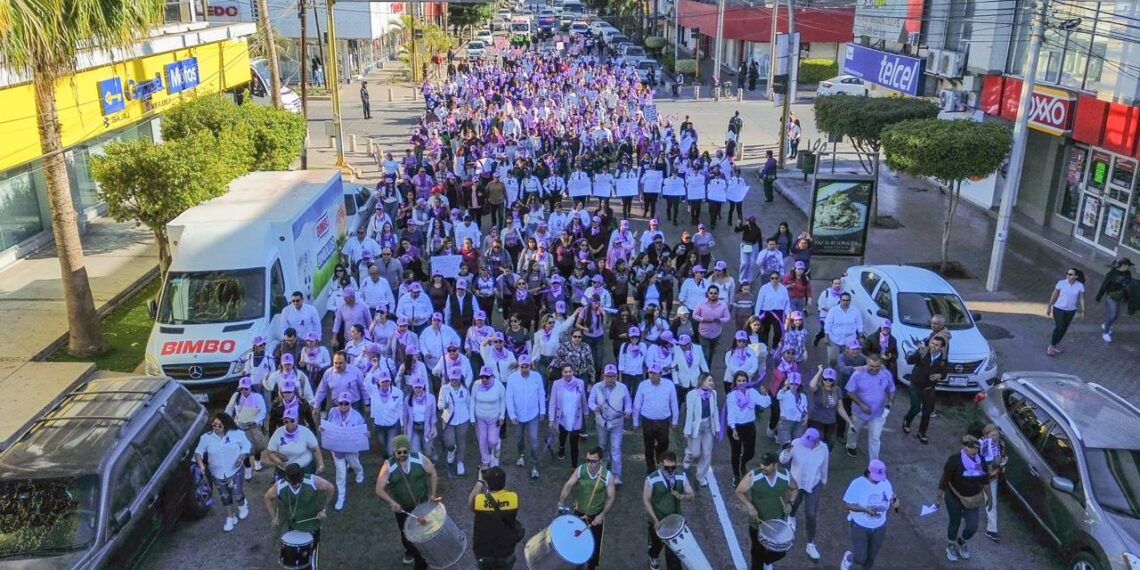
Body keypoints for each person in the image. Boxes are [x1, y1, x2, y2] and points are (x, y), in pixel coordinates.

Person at [375, 434, 441, 569]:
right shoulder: (388, 466)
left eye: (405, 451)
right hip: (403, 509)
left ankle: (422, 562)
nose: (402, 454)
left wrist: (433, 494)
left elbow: (433, 473)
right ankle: (410, 551)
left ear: (409, 450)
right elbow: (379, 489)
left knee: (426, 531)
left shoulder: (419, 459)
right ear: (394, 452)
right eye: (399, 452)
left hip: (422, 505)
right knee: (406, 533)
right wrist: (392, 502)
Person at [557, 447, 618, 570]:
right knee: (577, 541)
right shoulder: (581, 470)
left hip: (596, 516)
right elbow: (568, 485)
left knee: (594, 547)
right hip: (579, 513)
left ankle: (591, 567)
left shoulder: (607, 476)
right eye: (588, 460)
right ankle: (578, 564)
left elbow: (611, 497)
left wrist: (602, 515)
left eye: (593, 461)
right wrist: (561, 502)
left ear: (600, 461)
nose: (590, 463)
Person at [263, 464, 335, 566]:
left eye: (299, 481)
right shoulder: (280, 486)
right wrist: (274, 517)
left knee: (311, 559)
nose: (297, 484)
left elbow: (330, 488)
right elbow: (267, 498)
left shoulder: (312, 481)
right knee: (295, 560)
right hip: (293, 526)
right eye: (293, 482)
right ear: (287, 479)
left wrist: (324, 509)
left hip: (312, 526)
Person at [734, 452, 795, 570]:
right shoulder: (754, 476)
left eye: (766, 465)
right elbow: (739, 491)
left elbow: (795, 489)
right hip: (757, 524)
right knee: (757, 553)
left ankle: (766, 561)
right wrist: (750, 507)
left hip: (777, 524)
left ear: (775, 465)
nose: (762, 466)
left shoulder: (785, 475)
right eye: (762, 463)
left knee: (781, 552)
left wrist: (790, 503)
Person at [936, 435, 991, 562]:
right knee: (955, 522)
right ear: (964, 447)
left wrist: (990, 497)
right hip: (954, 498)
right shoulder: (954, 460)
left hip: (972, 500)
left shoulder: (981, 460)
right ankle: (951, 545)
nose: (973, 451)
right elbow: (945, 480)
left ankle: (962, 541)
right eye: (970, 448)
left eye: (975, 449)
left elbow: (985, 480)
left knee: (973, 526)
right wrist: (939, 497)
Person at [194, 412, 252, 532]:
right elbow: (198, 452)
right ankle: (230, 517)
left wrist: (241, 457)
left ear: (226, 424)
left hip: (235, 470)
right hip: (217, 473)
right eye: (214, 425)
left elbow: (247, 445)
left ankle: (242, 505)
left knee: (236, 492)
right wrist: (200, 464)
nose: (217, 428)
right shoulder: (206, 438)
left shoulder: (236, 433)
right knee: (225, 496)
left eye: (220, 425)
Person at [778, 427, 828, 561]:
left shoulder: (823, 448)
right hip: (796, 483)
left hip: (814, 484)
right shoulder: (796, 443)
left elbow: (824, 466)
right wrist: (786, 450)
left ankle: (810, 544)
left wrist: (823, 480)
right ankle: (792, 517)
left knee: (811, 514)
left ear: (817, 441)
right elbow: (782, 460)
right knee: (793, 505)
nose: (805, 443)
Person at [840, 460, 898, 570]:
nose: (878, 481)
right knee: (860, 558)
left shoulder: (885, 482)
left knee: (870, 559)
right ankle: (848, 558)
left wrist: (895, 504)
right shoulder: (857, 484)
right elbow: (847, 505)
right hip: (860, 525)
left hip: (880, 526)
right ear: (868, 472)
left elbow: (892, 497)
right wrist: (865, 510)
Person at [642, 451, 695, 570]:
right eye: (667, 468)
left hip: (675, 524)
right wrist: (655, 520)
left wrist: (682, 496)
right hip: (658, 521)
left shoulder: (681, 476)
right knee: (656, 546)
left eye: (673, 467)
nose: (670, 470)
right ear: (661, 465)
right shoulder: (651, 479)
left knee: (674, 556)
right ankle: (653, 557)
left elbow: (692, 495)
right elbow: (646, 499)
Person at [321, 392, 367, 511]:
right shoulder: (332, 412)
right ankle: (341, 497)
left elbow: (362, 431)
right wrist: (323, 429)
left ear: (350, 403)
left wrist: (366, 434)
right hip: (337, 448)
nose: (343, 406)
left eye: (346, 403)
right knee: (341, 473)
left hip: (351, 448)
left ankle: (360, 472)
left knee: (354, 464)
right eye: (341, 403)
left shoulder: (357, 416)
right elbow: (329, 425)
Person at [844, 354, 895, 460]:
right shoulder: (857, 374)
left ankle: (874, 461)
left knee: (875, 437)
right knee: (855, 430)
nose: (874, 369)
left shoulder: (886, 374)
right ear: (866, 363)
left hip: (878, 413)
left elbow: (891, 388)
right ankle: (851, 445)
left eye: (877, 366)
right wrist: (861, 405)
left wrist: (890, 402)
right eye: (871, 366)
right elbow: (850, 392)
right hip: (859, 411)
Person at [725, 371, 772, 486]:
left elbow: (765, 404)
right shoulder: (731, 396)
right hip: (735, 427)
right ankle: (736, 475)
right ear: (735, 382)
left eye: (744, 380)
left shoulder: (752, 393)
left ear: (747, 382)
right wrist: (733, 428)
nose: (741, 383)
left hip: (749, 427)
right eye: (739, 381)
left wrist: (765, 394)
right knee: (735, 453)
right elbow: (731, 413)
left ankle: (743, 461)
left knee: (750, 453)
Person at [469, 466, 521, 569]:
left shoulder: (479, 500)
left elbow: (470, 502)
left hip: (484, 552)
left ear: (487, 484)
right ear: (504, 482)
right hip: (506, 551)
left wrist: (480, 481)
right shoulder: (513, 498)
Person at [590, 365, 633, 486]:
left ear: (616, 376)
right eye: (608, 376)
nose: (610, 378)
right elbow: (591, 401)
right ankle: (602, 467)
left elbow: (628, 402)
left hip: (617, 423)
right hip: (601, 422)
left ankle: (616, 475)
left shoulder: (623, 387)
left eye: (612, 376)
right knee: (602, 445)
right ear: (604, 375)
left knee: (616, 449)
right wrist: (595, 407)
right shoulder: (596, 387)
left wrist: (628, 411)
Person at [902, 335, 948, 444]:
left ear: (942, 348)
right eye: (932, 343)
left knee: (927, 412)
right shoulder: (923, 351)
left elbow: (945, 372)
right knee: (915, 408)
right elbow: (909, 360)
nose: (934, 346)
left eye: (937, 345)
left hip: (929, 388)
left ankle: (921, 433)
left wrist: (939, 376)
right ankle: (907, 420)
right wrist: (919, 351)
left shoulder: (943, 358)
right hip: (916, 385)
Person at [634, 363, 680, 473]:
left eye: (655, 374)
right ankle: (650, 467)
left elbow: (674, 403)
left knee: (664, 443)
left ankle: (661, 459)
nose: (652, 376)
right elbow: (637, 404)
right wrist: (635, 421)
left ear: (661, 374)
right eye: (650, 373)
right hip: (648, 421)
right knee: (648, 445)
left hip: (663, 421)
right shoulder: (643, 385)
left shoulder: (669, 385)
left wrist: (675, 420)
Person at [507, 356, 546, 479]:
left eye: (526, 366)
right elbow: (509, 397)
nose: (524, 369)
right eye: (522, 367)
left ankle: (534, 465)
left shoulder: (537, 377)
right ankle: (521, 455)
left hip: (533, 414)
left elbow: (541, 394)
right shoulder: (512, 378)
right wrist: (512, 414)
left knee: (534, 441)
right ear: (518, 366)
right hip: (518, 415)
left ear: (531, 366)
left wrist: (542, 411)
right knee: (519, 438)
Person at [224, 376, 267, 479]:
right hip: (239, 426)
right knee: (243, 449)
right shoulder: (236, 397)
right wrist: (227, 421)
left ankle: (257, 461)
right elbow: (229, 409)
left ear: (251, 388)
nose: (243, 391)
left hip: (253, 426)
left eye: (246, 388)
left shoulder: (257, 397)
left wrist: (256, 421)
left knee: (256, 445)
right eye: (241, 389)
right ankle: (247, 468)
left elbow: (263, 411)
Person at [265, 408, 325, 479]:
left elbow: (315, 449)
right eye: (286, 421)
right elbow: (270, 452)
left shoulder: (305, 431)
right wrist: (281, 464)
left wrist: (321, 465)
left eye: (292, 420)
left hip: (305, 468)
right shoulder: (278, 432)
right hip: (285, 470)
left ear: (297, 419)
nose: (289, 423)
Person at [682, 374, 720, 487]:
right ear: (702, 381)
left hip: (708, 427)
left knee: (707, 453)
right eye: (709, 380)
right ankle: (688, 457)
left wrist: (717, 427)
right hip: (696, 427)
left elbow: (715, 411)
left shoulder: (714, 393)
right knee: (695, 453)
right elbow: (689, 414)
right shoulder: (692, 395)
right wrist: (687, 430)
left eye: (712, 380)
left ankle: (701, 476)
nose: (712, 382)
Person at [550, 365, 588, 468]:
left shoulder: (580, 383)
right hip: (562, 417)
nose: (568, 374)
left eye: (570, 371)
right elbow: (553, 402)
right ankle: (561, 447)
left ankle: (574, 466)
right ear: (562, 372)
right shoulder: (557, 384)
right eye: (565, 372)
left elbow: (583, 398)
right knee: (563, 435)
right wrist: (551, 419)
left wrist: (586, 412)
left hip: (576, 417)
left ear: (573, 372)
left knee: (574, 443)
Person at [806, 366, 851, 451]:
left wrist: (850, 422)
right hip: (816, 421)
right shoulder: (818, 388)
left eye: (830, 379)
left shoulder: (837, 390)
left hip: (830, 423)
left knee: (829, 445)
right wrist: (819, 371)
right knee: (816, 444)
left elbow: (840, 408)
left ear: (834, 380)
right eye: (825, 378)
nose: (827, 381)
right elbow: (811, 385)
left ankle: (823, 460)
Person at [438, 368, 473, 476]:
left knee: (461, 441)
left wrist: (471, 418)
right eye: (452, 379)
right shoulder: (444, 388)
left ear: (460, 378)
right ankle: (452, 450)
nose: (454, 381)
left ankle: (460, 462)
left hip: (463, 418)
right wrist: (445, 405)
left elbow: (469, 403)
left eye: (456, 379)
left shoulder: (465, 389)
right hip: (448, 419)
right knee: (449, 442)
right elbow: (439, 404)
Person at [471, 366, 507, 469]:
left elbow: (503, 401)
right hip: (480, 418)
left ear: (492, 376)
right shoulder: (476, 385)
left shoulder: (499, 386)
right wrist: (472, 417)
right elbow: (472, 400)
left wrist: (502, 416)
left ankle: (496, 447)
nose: (484, 379)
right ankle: (485, 461)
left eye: (486, 377)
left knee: (492, 441)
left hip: (494, 418)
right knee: (482, 440)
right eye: (482, 376)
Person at [1047, 267, 1086, 355]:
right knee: (1059, 327)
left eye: (1070, 274)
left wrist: (1083, 310)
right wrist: (1049, 307)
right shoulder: (1061, 283)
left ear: (1076, 276)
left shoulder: (1079, 285)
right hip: (1058, 308)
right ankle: (1051, 346)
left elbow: (1081, 298)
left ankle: (1055, 344)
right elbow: (1054, 295)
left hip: (1071, 310)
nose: (1068, 275)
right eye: (1067, 273)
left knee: (1064, 328)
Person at [980, 424, 1007, 542]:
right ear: (986, 435)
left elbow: (1004, 456)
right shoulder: (981, 445)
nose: (995, 437)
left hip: (992, 477)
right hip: (979, 476)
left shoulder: (1001, 444)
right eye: (992, 435)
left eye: (996, 435)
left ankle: (992, 529)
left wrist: (1002, 463)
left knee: (992, 501)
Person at [1095, 258, 1132, 343]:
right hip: (1112, 297)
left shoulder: (1128, 273)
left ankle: (1106, 325)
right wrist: (1099, 296)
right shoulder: (1112, 274)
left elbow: (1129, 285)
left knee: (1116, 315)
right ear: (1124, 265)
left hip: (1122, 298)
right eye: (1128, 265)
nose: (1129, 267)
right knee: (1112, 315)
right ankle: (1105, 332)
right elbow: (1104, 285)